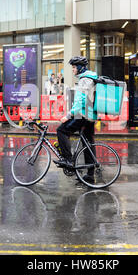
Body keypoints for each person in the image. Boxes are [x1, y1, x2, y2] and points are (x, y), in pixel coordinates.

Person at [54, 56, 98, 184]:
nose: (72, 70)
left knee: (61, 130)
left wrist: (67, 116)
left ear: (80, 67)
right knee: (88, 144)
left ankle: (68, 160)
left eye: (74, 67)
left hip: (83, 115)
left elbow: (80, 102)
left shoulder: (85, 80)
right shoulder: (91, 78)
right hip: (91, 115)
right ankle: (90, 175)